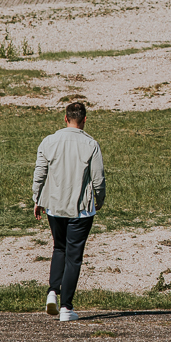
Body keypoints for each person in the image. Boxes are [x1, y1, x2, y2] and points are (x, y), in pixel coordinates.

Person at [33, 102, 106, 322]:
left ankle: (52, 292)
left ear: (65, 118)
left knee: (59, 248)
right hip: (80, 209)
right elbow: (98, 179)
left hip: (54, 206)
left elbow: (40, 173)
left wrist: (37, 199)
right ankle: (66, 306)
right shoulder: (91, 144)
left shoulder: (49, 141)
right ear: (84, 120)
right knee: (74, 257)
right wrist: (99, 201)